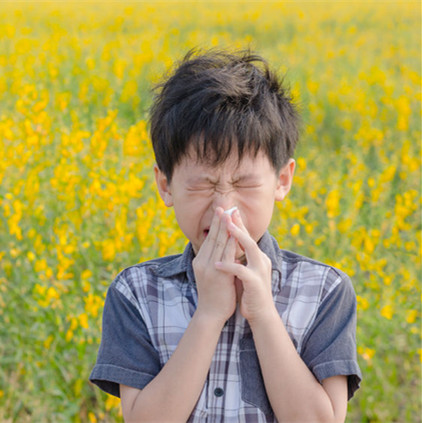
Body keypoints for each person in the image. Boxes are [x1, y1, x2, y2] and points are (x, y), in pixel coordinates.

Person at [89, 49, 361, 423]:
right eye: (203, 185)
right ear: (165, 186)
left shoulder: (324, 291)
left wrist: (264, 314)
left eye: (244, 183)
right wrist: (209, 314)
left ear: (283, 181)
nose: (225, 209)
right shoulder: (136, 292)